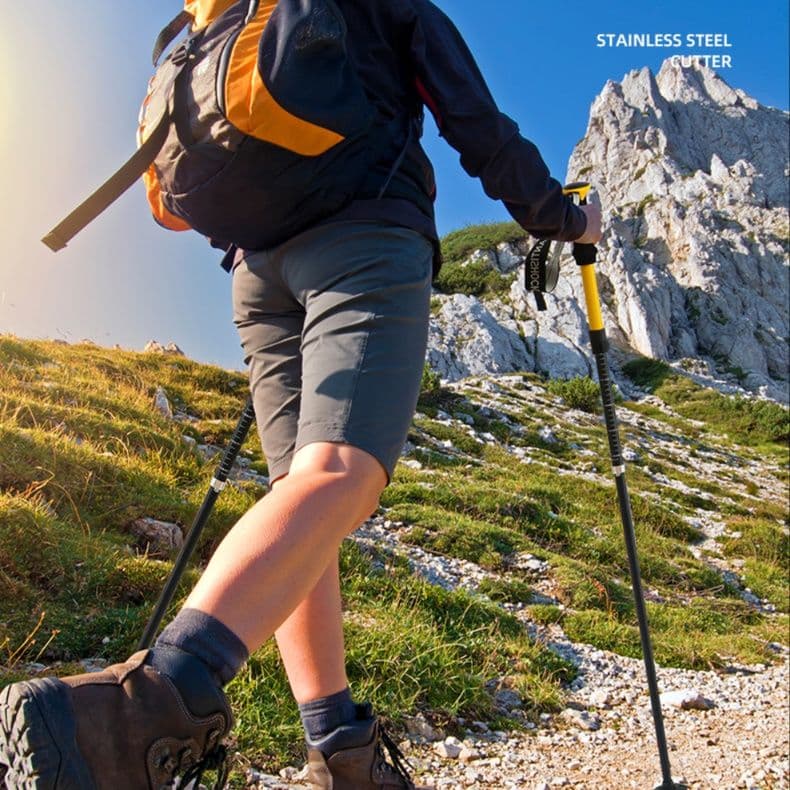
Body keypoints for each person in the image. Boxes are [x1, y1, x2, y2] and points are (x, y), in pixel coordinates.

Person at [0, 0, 602, 788]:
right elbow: (478, 125)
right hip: (365, 237)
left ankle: (339, 754)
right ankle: (137, 711)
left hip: (258, 275)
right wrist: (565, 219)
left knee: (302, 500)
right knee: (343, 474)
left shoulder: (215, 21)